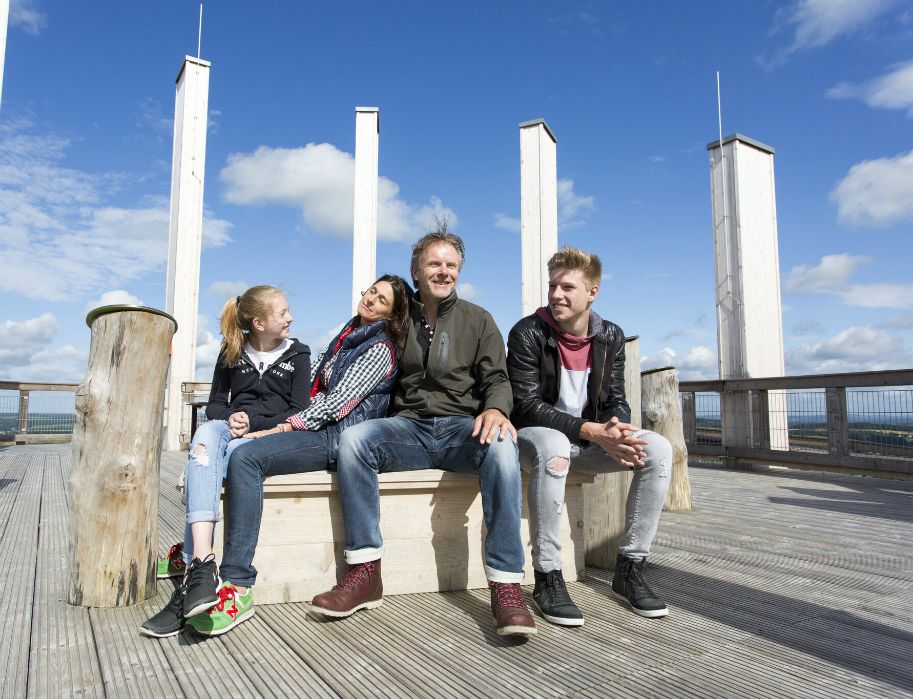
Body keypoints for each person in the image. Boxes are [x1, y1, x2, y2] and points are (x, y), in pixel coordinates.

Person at [310, 229, 537, 638]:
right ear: (416, 271)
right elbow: (353, 344)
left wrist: (496, 408)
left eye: (451, 265)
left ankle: (506, 586)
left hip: (460, 430)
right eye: (434, 263)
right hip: (408, 428)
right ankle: (365, 572)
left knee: (503, 445)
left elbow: (499, 379)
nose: (444, 272)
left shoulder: (478, 319)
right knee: (357, 440)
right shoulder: (398, 318)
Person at [180, 274, 413, 637]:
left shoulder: (379, 349)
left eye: (382, 300)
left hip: (337, 437)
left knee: (247, 457)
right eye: (371, 291)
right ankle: (196, 556)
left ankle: (237, 585)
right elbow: (319, 390)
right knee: (219, 452)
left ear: (391, 314)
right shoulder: (347, 336)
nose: (370, 300)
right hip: (318, 428)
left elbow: (337, 403)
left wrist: (281, 427)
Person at [507, 246, 672, 627]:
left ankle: (630, 569)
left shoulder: (610, 335)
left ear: (592, 292)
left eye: (567, 287)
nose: (556, 295)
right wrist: (590, 431)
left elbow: (616, 398)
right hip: (536, 439)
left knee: (659, 449)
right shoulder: (528, 332)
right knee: (553, 446)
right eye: (552, 286)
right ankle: (548, 576)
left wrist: (617, 428)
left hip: (589, 439)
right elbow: (527, 405)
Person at [140, 285, 310, 637]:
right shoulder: (231, 351)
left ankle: (191, 573)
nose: (290, 317)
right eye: (283, 313)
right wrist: (232, 416)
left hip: (266, 435)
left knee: (223, 459)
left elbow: (299, 409)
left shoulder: (299, 353)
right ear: (259, 322)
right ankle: (202, 564)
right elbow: (215, 404)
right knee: (204, 441)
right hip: (228, 429)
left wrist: (255, 426)